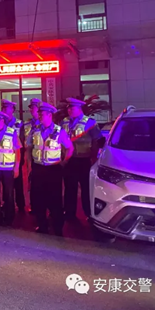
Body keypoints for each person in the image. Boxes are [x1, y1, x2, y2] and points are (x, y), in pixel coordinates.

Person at [27, 103, 74, 236]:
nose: (39, 116)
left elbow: (70, 148)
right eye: (39, 114)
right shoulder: (35, 130)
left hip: (53, 169)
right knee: (39, 198)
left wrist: (64, 162)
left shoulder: (59, 131)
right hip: (38, 168)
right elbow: (29, 148)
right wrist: (30, 165)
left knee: (55, 199)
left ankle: (57, 227)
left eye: (42, 114)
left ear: (49, 115)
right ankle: (42, 225)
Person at [62, 97, 102, 221]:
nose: (69, 110)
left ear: (79, 109)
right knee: (70, 188)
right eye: (68, 108)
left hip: (84, 160)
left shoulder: (89, 122)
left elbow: (97, 141)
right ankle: (69, 213)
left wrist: (94, 158)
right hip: (69, 160)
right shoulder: (64, 122)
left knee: (86, 188)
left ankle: (89, 214)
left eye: (72, 108)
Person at [1, 99, 25, 212]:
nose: (5, 110)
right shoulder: (1, 123)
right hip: (4, 158)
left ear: (13, 110)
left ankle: (20, 204)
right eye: (3, 108)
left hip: (16, 156)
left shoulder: (19, 124)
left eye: (7, 108)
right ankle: (7, 203)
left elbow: (22, 141)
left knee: (18, 181)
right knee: (5, 183)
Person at [23, 99, 42, 214]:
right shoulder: (27, 124)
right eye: (30, 108)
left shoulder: (44, 123)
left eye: (33, 108)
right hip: (31, 155)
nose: (31, 110)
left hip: (43, 158)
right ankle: (34, 206)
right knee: (32, 183)